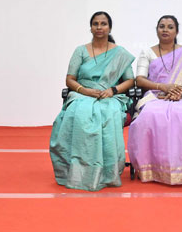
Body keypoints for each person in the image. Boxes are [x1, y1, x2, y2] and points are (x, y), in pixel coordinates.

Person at [49, 11, 135, 191]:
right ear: (90, 28)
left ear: (109, 28)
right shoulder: (80, 50)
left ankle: (107, 172)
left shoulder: (120, 53)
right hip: (82, 93)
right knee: (78, 112)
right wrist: (85, 90)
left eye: (103, 24)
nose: (99, 27)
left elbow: (130, 81)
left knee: (109, 113)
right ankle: (77, 171)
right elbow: (70, 79)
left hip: (110, 95)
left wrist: (112, 90)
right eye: (95, 24)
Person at [128, 15, 182, 184]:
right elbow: (140, 79)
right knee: (150, 115)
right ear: (157, 30)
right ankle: (154, 168)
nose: (165, 30)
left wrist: (179, 90)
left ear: (177, 31)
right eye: (162, 26)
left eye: (170, 27)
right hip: (155, 95)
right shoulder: (147, 52)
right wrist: (162, 87)